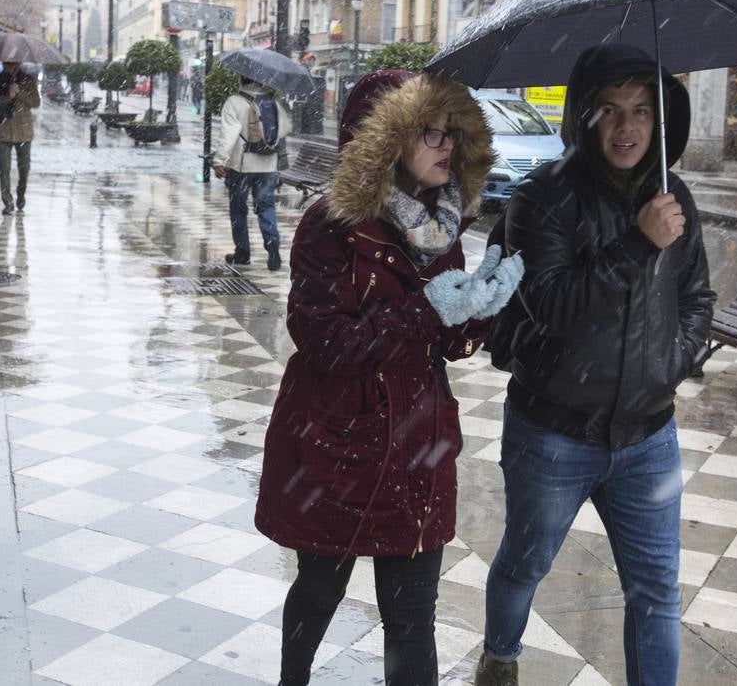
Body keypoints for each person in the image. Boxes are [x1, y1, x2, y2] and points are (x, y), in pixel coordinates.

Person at [255, 69, 524, 686]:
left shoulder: (443, 224)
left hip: (417, 440)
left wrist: (482, 309)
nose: (446, 146)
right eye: (428, 134)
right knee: (320, 590)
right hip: (337, 440)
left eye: (449, 133)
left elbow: (448, 345)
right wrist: (428, 309)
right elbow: (326, 343)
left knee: (412, 617)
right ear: (385, 141)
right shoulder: (331, 226)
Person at [476, 44, 716, 686]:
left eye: (641, 110)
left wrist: (674, 359)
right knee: (525, 564)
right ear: (584, 116)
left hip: (648, 436)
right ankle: (501, 653)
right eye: (609, 110)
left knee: (657, 593)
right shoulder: (543, 198)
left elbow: (696, 295)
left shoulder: (674, 197)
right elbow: (551, 306)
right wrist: (637, 243)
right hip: (554, 432)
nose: (627, 127)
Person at [212, 77, 294, 270]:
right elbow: (285, 129)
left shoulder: (235, 101)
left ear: (241, 80)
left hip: (242, 166)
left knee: (238, 210)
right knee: (266, 207)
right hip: (267, 165)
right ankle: (272, 246)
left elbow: (228, 134)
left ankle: (242, 253)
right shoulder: (272, 101)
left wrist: (219, 160)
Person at [0, 61, 40, 215]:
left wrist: (20, 93)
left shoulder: (28, 80)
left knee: (24, 168)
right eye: (7, 64)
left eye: (13, 64)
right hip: (3, 130)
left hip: (24, 130)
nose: (10, 67)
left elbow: (36, 102)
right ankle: (7, 202)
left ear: (19, 64)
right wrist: (8, 96)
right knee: (4, 169)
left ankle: (21, 194)